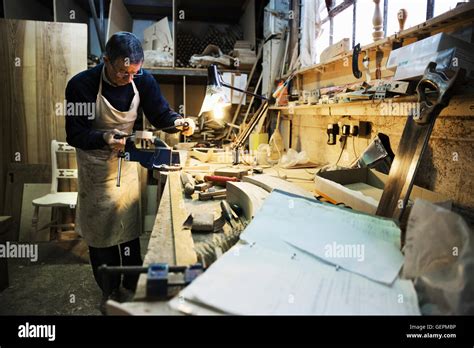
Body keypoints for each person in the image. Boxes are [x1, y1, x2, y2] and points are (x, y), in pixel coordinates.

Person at [65, 32, 195, 313]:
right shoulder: (82, 85)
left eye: (134, 72)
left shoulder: (142, 80)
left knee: (128, 231)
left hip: (127, 164)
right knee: (101, 237)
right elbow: (75, 133)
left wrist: (178, 121)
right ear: (106, 61)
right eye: (123, 72)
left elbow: (160, 114)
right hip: (96, 166)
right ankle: (109, 291)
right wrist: (103, 138)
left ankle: (133, 287)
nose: (129, 78)